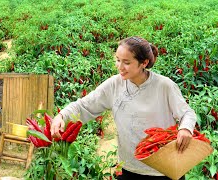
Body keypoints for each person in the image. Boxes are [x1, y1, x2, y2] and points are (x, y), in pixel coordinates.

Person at [50, 36, 196, 180]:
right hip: (130, 167)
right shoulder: (114, 85)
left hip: (164, 169)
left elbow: (187, 113)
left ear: (144, 63)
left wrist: (185, 128)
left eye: (126, 62)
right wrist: (62, 116)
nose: (120, 67)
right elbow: (84, 105)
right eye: (118, 60)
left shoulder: (164, 86)